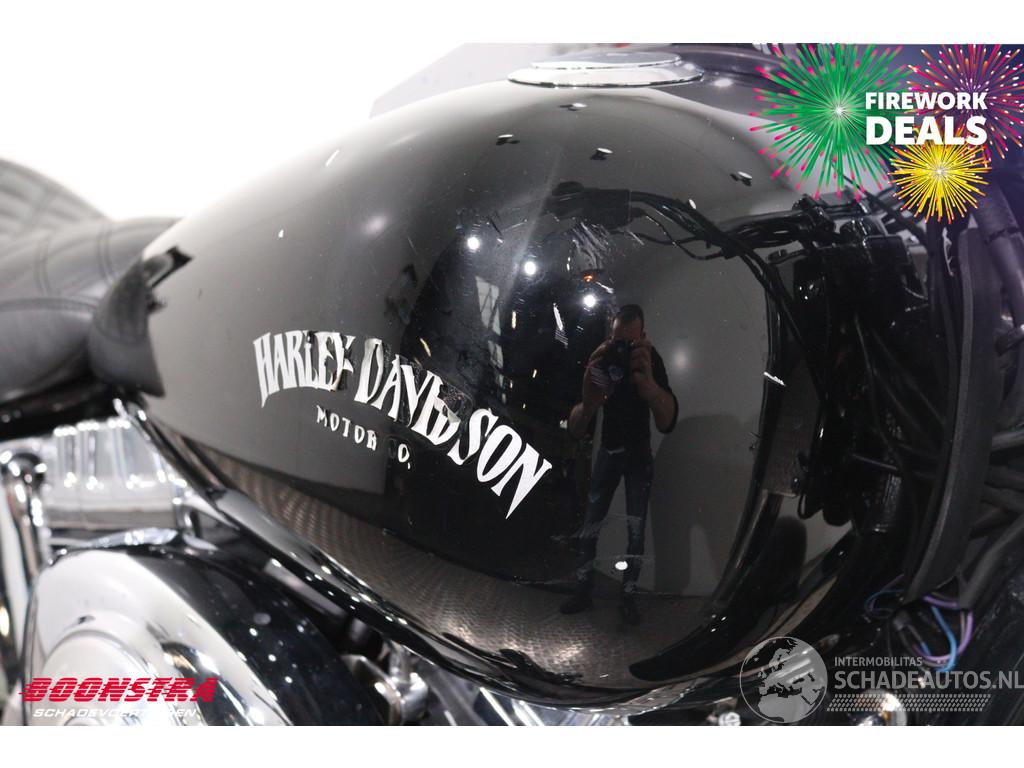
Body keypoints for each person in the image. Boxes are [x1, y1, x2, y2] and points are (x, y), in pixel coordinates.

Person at [562, 304, 677, 623]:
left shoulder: (650, 360)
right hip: (609, 451)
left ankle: (628, 596)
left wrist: (650, 386)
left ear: (644, 337)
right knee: (591, 525)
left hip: (639, 454)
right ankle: (583, 589)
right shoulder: (604, 359)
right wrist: (590, 399)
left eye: (630, 342)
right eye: (618, 342)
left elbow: (667, 421)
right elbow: (576, 427)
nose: (623, 349)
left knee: (635, 531)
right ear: (610, 337)